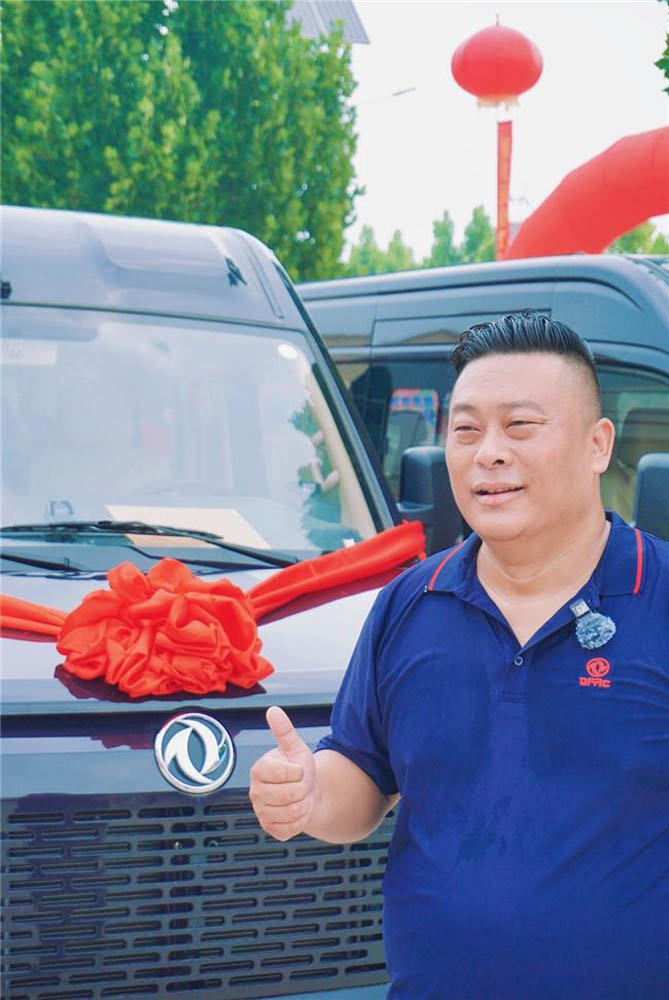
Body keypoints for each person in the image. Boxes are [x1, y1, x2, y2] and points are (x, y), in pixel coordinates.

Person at [249, 312, 669, 999]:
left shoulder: (659, 595)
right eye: (466, 430)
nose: (487, 453)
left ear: (597, 445)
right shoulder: (411, 602)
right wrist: (311, 794)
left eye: (520, 426)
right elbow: (364, 772)